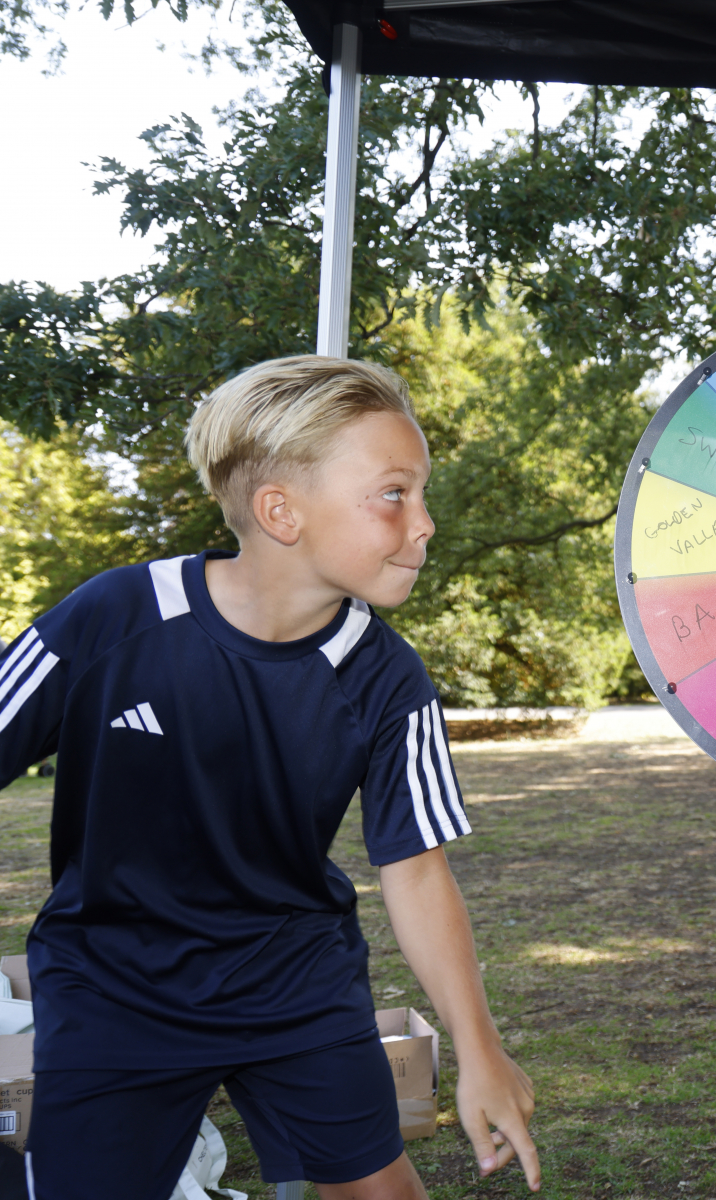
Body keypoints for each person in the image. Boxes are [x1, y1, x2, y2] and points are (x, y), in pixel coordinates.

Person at [0, 358, 540, 1198]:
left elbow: (416, 869)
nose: (426, 522)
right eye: (395, 494)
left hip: (296, 984)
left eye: (422, 494)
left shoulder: (388, 679)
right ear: (281, 511)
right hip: (114, 992)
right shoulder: (111, 618)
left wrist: (481, 1049)